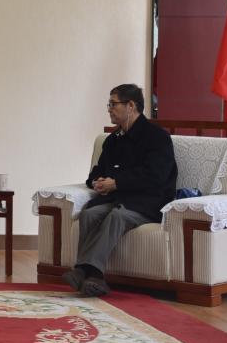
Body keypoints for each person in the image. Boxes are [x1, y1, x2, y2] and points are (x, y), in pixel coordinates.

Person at [63, 83, 177, 297]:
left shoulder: (157, 137)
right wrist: (97, 182)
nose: (109, 109)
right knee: (89, 213)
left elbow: (155, 176)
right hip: (117, 199)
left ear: (131, 106)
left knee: (117, 216)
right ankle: (87, 275)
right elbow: (97, 171)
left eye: (113, 104)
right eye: (109, 104)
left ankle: (90, 274)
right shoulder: (113, 140)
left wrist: (117, 183)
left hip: (148, 203)